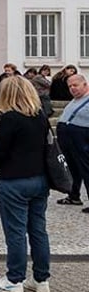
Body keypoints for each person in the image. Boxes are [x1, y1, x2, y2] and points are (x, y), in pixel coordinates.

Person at [0, 77, 51, 292]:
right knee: (38, 230)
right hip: (39, 178)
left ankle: (15, 279)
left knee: (16, 231)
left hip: (14, 180)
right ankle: (41, 279)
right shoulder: (40, 116)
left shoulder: (10, 118)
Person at [55, 74, 89, 210]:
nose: (72, 88)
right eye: (70, 86)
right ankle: (73, 195)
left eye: (75, 85)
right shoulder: (75, 100)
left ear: (85, 85)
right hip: (68, 138)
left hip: (81, 137)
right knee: (71, 168)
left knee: (86, 168)